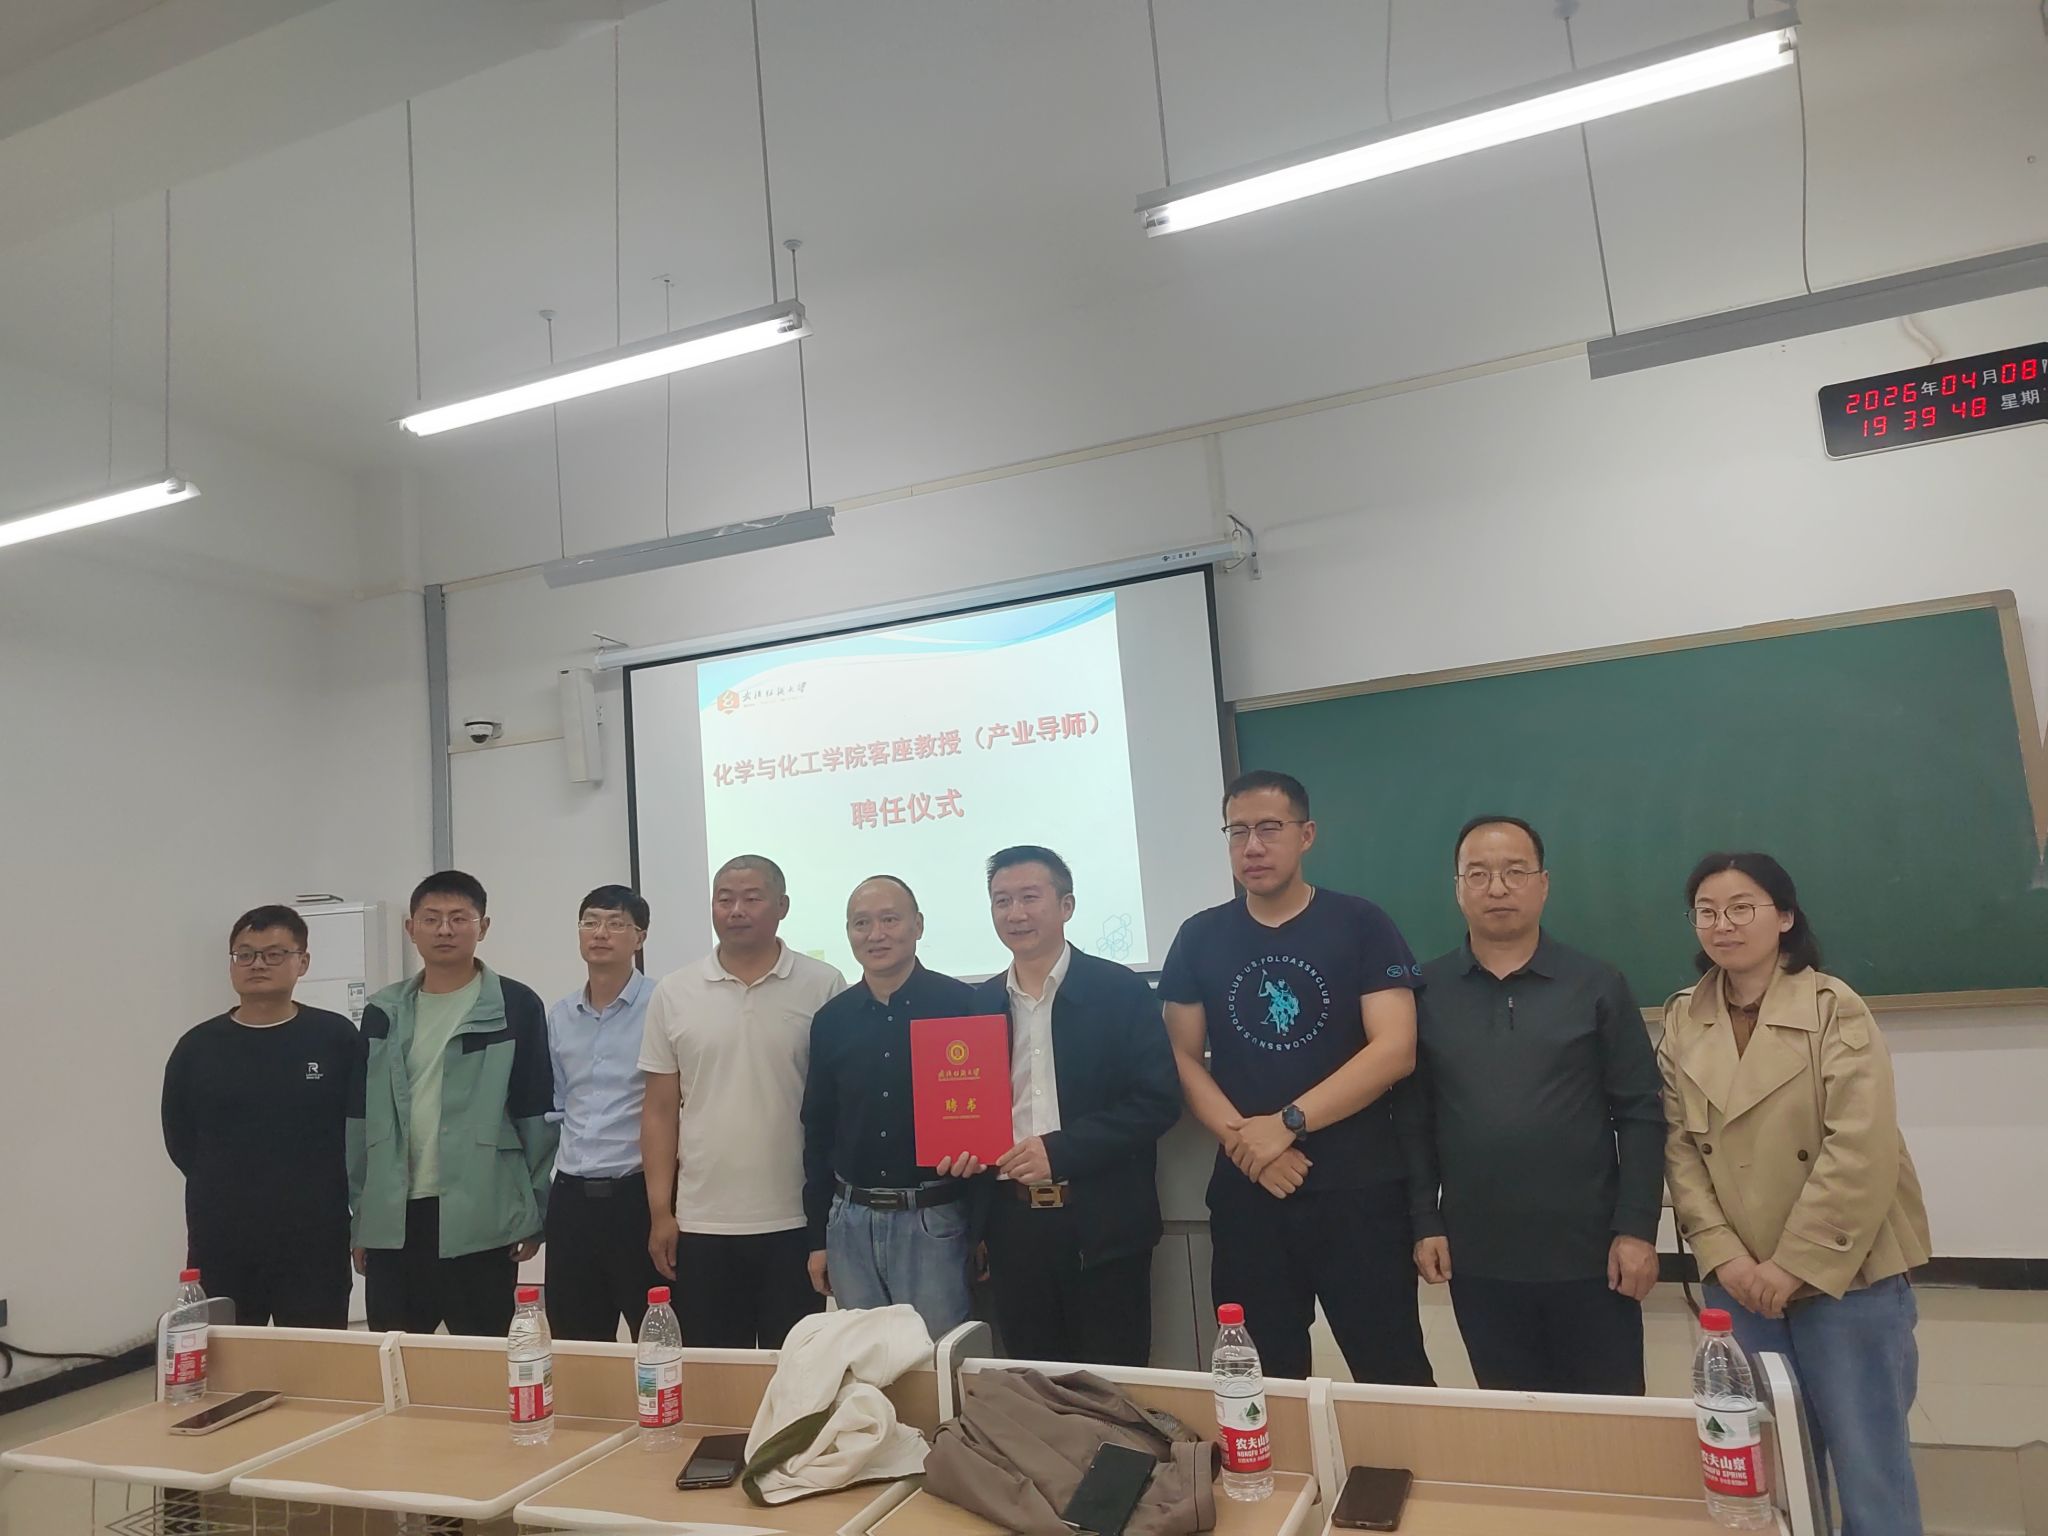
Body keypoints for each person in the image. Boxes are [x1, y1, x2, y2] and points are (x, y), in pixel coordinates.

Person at [1661, 852, 1930, 1536]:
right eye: (1707, 912)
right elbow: (1680, 1149)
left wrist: (1793, 1264)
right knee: (1772, 1470)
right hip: (1740, 1282)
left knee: (1870, 1471)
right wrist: (1724, 1255)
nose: (1723, 925)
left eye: (1741, 908)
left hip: (1847, 1275)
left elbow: (1859, 1147)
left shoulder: (1834, 1007)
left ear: (1784, 916)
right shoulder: (1684, 1018)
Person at [1161, 770, 1433, 1385]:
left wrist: (1287, 1125)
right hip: (1249, 1196)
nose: (1252, 847)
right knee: (1259, 1378)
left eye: (1269, 829)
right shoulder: (1199, 935)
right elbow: (1180, 1056)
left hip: (1358, 1192)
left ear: (1306, 835)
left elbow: (1396, 1049)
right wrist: (1249, 1146)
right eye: (1237, 832)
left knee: (1392, 1372)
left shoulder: (1361, 922)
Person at [1399, 816, 1663, 1395]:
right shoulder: (1424, 993)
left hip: (1592, 1253)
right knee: (1514, 1422)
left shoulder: (1597, 984)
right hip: (1478, 1256)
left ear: (1543, 884)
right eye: (1478, 874)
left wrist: (1637, 1229)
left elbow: (1641, 1114)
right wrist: (1425, 1221)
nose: (1497, 887)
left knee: (1611, 1421)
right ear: (1458, 888)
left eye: (1515, 872)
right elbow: (1414, 1121)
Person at [953, 846, 1182, 1365]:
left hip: (1104, 1224)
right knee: (1033, 1381)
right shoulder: (979, 1005)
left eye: (1030, 897)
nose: (1015, 913)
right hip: (1013, 1228)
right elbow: (970, 1112)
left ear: (1067, 905)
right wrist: (964, 1155)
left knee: (1112, 1380)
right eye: (1002, 901)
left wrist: (1059, 1151)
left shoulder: (1119, 990)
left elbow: (1157, 1101)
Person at [640, 855, 844, 1347]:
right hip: (702, 1221)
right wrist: (661, 1212)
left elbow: (839, 1109)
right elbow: (660, 1112)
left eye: (752, 898)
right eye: (724, 899)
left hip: (796, 1219)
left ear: (782, 906)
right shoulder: (675, 991)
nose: (736, 910)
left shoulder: (823, 985)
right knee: (715, 1373)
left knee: (794, 1371)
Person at [347, 871, 558, 1336]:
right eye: (432, 918)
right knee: (395, 1358)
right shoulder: (383, 1010)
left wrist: (532, 1211)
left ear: (483, 927)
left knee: (481, 1356)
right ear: (411, 928)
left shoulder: (515, 1004)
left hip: (482, 1210)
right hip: (396, 1215)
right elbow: (360, 1120)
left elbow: (535, 1113)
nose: (445, 929)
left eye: (459, 918)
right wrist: (363, 1218)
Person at [161, 906, 358, 1328]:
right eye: (245, 954)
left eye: (274, 954)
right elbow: (179, 1138)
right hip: (222, 1236)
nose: (257, 965)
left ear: (302, 962)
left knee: (314, 1357)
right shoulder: (198, 1047)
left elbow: (359, 1130)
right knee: (228, 1357)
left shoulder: (335, 1037)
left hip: (314, 1236)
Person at [801, 875, 980, 1335]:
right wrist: (819, 1237)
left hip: (935, 1219)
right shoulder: (831, 1019)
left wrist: (984, 1231)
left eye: (889, 920)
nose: (875, 934)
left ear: (918, 925)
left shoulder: (963, 1006)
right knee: (863, 1363)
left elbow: (985, 1124)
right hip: (849, 1224)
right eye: (861, 923)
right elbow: (818, 1129)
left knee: (937, 1362)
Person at [543, 884, 666, 1342]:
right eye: (590, 922)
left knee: (656, 1338)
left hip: (638, 1195)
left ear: (640, 937)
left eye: (616, 924)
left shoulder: (663, 1005)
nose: (600, 933)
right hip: (571, 1197)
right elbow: (558, 1104)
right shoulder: (560, 1015)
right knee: (575, 1340)